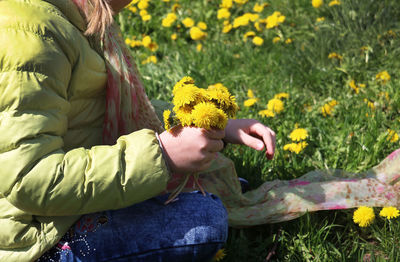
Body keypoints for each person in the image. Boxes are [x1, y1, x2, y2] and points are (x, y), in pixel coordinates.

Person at [0, 0, 276, 261]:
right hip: (28, 236)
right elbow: (29, 179)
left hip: (57, 205)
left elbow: (101, 110)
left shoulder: (78, 15)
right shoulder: (33, 37)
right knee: (203, 217)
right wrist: (162, 156)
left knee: (204, 194)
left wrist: (204, 123)